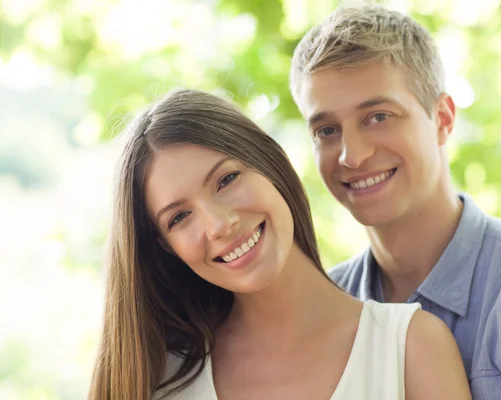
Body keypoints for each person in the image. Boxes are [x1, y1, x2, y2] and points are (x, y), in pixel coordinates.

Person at [290, 4, 501, 399]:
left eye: (378, 117)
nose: (352, 155)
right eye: (327, 129)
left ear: (443, 119)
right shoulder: (320, 306)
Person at [88, 89, 471, 400]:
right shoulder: (159, 381)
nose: (220, 225)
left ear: (269, 162)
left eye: (226, 180)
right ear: (166, 246)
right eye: (179, 217)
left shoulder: (409, 348)